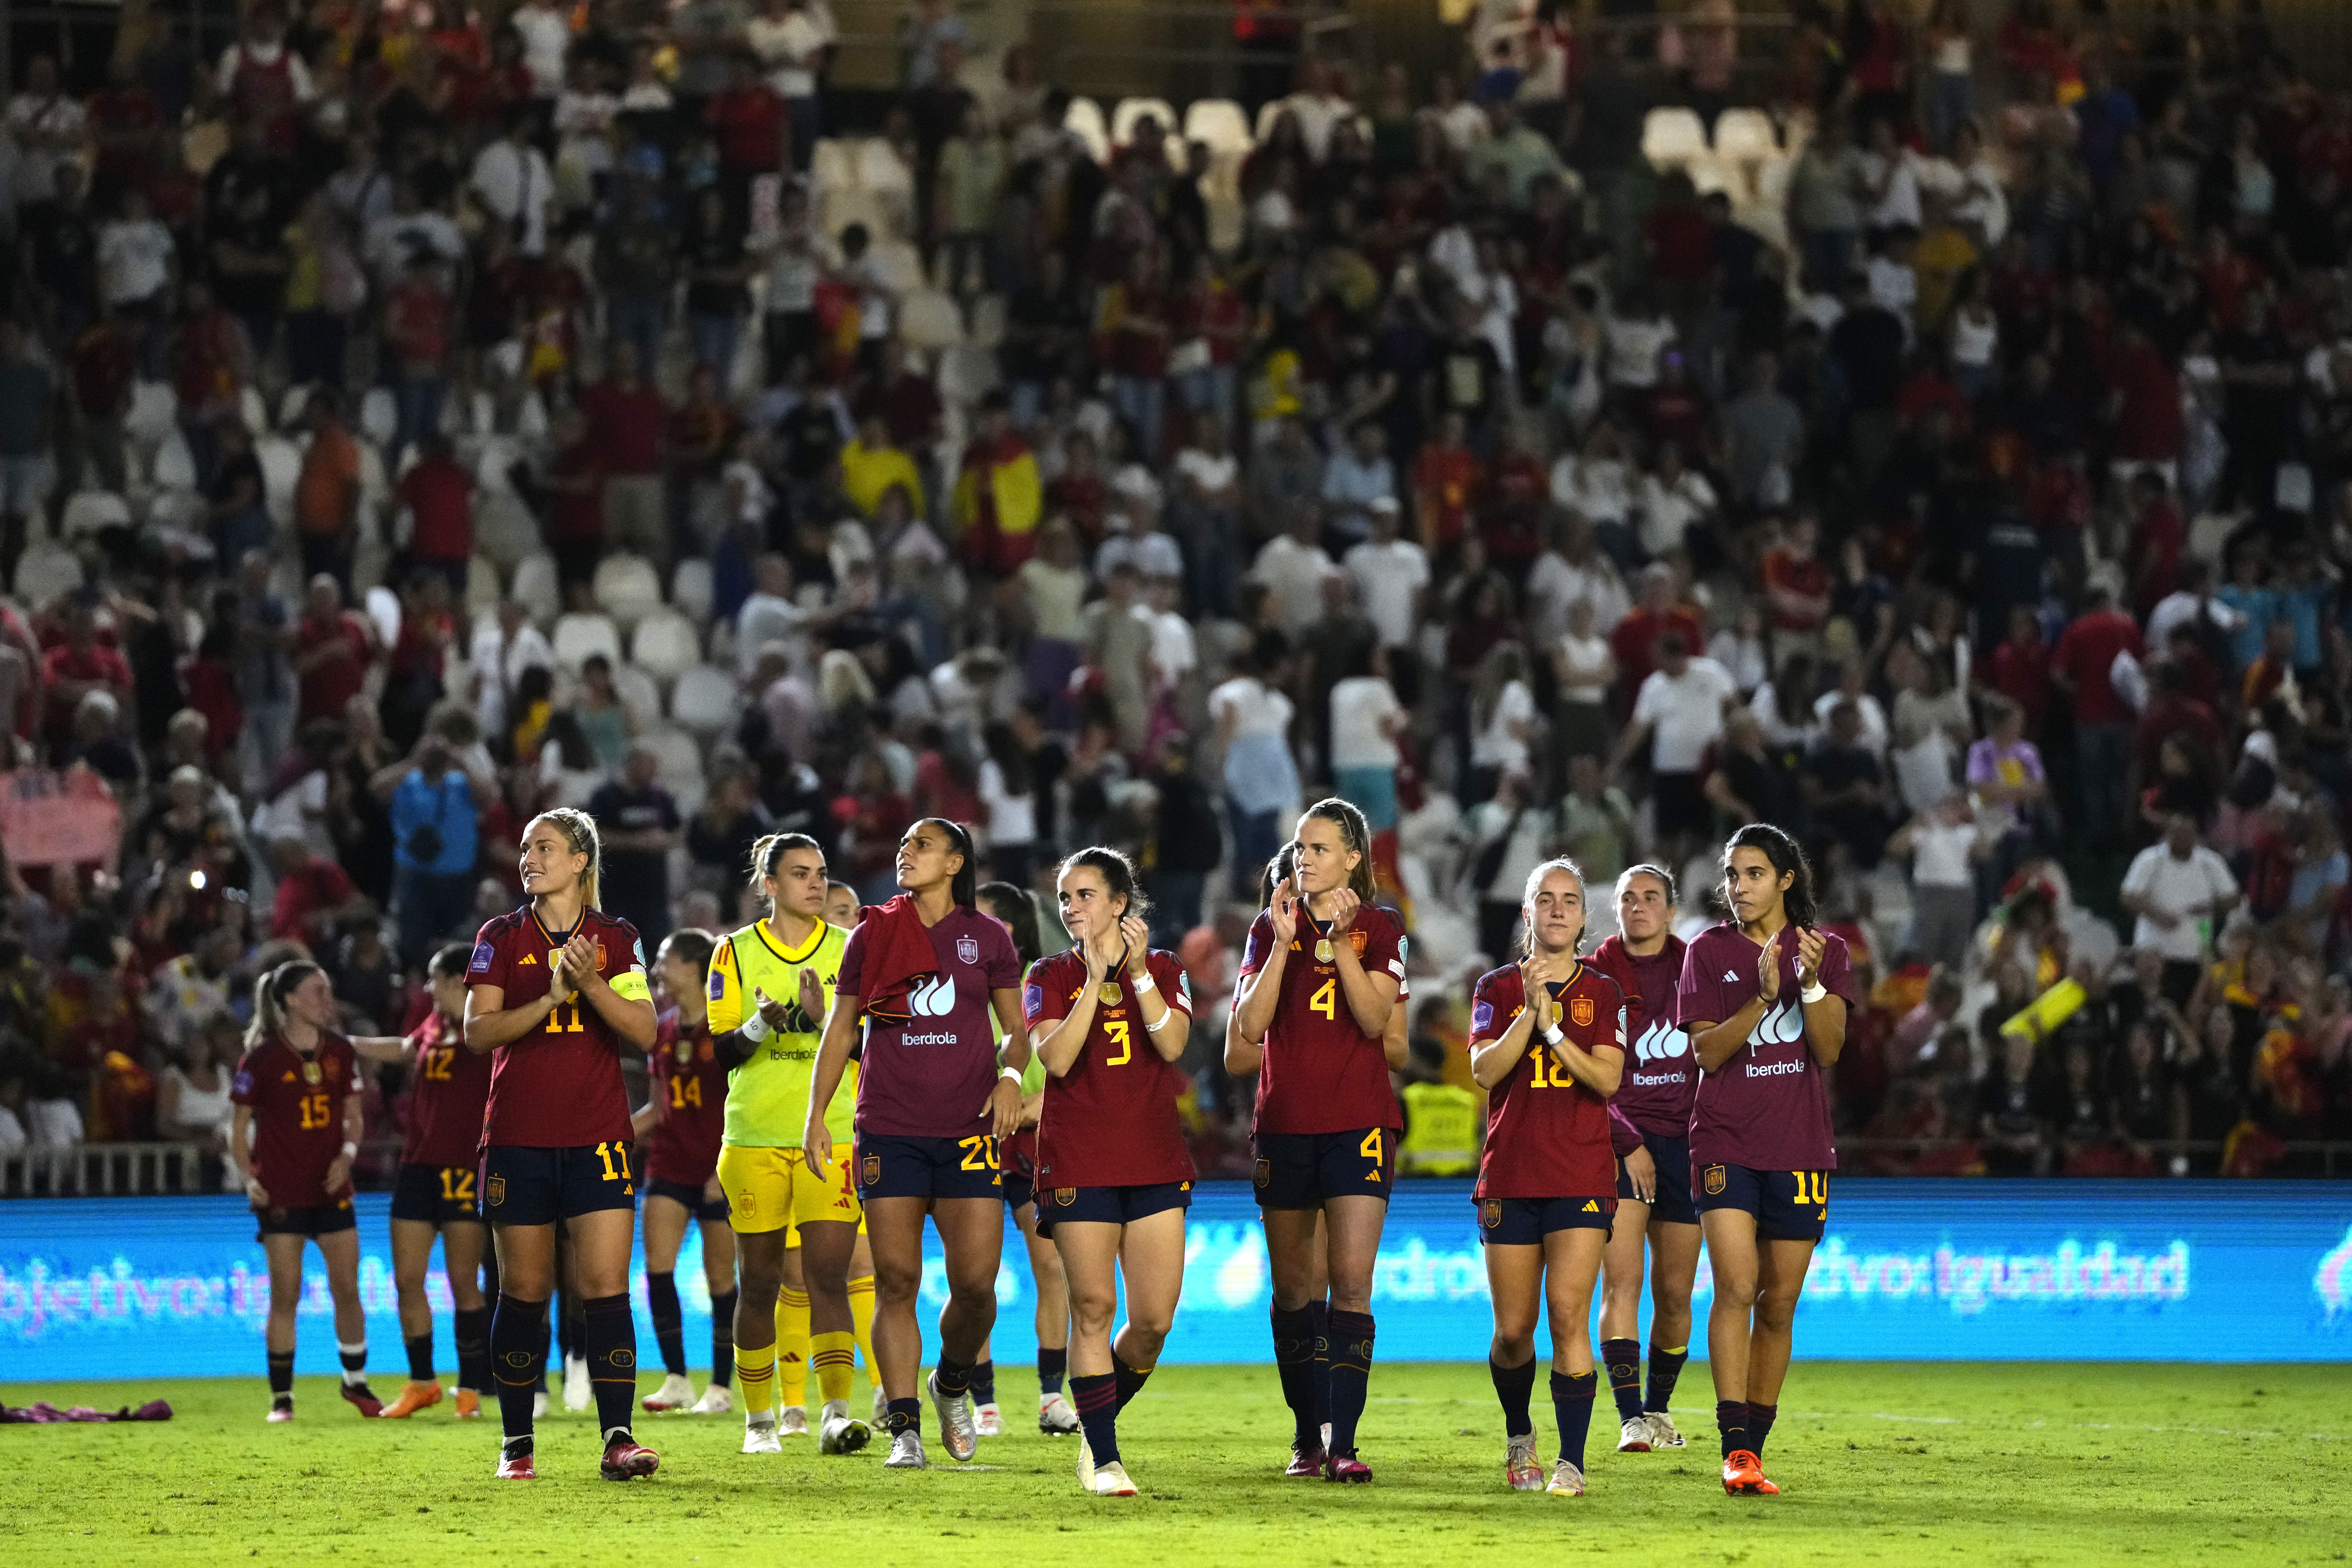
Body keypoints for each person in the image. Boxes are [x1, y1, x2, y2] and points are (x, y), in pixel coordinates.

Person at [802, 818, 1026, 1470]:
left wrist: (1011, 1078)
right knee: (896, 1279)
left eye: (922, 845)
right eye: (902, 844)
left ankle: (951, 1382)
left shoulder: (988, 938)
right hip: (890, 1127)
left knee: (977, 1284)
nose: (906, 852)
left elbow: (1017, 1030)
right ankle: (904, 1429)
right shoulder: (872, 933)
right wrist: (817, 1115)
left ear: (956, 861)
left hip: (969, 1129)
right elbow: (841, 1029)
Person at [462, 808, 661, 1481]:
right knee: (524, 1288)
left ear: (581, 860)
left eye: (544, 846)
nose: (528, 857)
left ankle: (618, 1438)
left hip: (597, 1136)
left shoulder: (617, 937)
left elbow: (645, 1031)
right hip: (517, 1137)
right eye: (524, 847)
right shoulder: (500, 935)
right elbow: (479, 1032)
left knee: (606, 1287)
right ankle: (517, 1442)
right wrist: (550, 998)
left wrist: (590, 983)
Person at [1227, 798, 1406, 1482]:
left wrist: (1337, 942)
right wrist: (1282, 943)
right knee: (1294, 1290)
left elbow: (1373, 1017)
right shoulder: (1267, 928)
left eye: (1320, 848)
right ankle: (1307, 1434)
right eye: (1300, 848)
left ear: (1353, 858)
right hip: (1284, 1124)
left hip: (1358, 1124)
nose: (1304, 858)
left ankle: (1346, 1443)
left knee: (1351, 1285)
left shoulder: (1383, 927)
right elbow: (1249, 1027)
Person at [1675, 824, 1852, 1497]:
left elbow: (1830, 1049)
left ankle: (1755, 1443)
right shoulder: (1707, 951)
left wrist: (1806, 984)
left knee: (1779, 1303)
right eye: (1731, 874)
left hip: (1801, 1146)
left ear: (1785, 879)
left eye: (1752, 873)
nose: (1738, 886)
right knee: (1737, 1286)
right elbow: (1707, 1054)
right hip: (1725, 1141)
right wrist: (1760, 993)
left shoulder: (1825, 950)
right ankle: (1735, 1447)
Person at [1024, 848, 1195, 1496]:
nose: (1072, 908)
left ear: (1121, 902)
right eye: (1066, 897)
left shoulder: (1166, 967)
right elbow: (1059, 1060)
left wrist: (1136, 973)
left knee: (1152, 1322)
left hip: (1152, 1158)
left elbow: (1173, 1044)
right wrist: (1095, 980)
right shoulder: (1050, 973)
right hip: (1079, 1157)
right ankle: (1103, 1456)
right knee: (1093, 1307)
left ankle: (1098, 1424)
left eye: (1086, 894)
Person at [1466, 858, 1625, 1495]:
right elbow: (1485, 1068)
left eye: (1569, 900)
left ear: (1585, 917)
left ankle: (1573, 1460)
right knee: (1512, 1331)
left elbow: (1607, 1079)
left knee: (1568, 1313)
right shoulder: (1495, 987)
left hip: (1581, 1171)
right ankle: (1518, 1433)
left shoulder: (1604, 991)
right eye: (1545, 899)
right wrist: (1531, 1013)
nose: (1557, 909)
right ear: (1526, 913)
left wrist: (1554, 1022)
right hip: (1511, 1172)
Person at [708, 833, 868, 1455]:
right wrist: (764, 1021)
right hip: (753, 1134)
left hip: (832, 1131)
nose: (816, 884)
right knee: (761, 1281)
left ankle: (833, 1412)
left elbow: (870, 1045)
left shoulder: (853, 950)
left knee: (829, 1274)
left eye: (821, 873)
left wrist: (824, 1017)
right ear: (769, 884)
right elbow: (722, 1050)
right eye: (800, 874)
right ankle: (759, 1421)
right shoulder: (735, 951)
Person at [229, 960, 382, 1420]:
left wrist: (349, 1154)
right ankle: (282, 1399)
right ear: (290, 1000)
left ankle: (355, 1382)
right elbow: (237, 1130)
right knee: (285, 1294)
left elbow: (355, 1115)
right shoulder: (261, 1059)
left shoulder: (340, 1050)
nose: (327, 999)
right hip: (281, 1191)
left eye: (328, 989)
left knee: (347, 1288)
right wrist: (249, 1178)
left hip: (332, 1186)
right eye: (317, 991)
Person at [352, 943, 495, 1420]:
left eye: (435, 979)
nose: (429, 989)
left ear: (458, 980)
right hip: (418, 1167)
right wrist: (348, 1044)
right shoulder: (434, 1026)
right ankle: (423, 1382)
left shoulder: (488, 1027)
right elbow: (404, 1048)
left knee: (463, 1283)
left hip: (464, 1166)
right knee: (408, 1281)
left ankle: (471, 1388)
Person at [1587, 865, 1698, 1455]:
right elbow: (1585, 1072)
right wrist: (1627, 1139)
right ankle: (1631, 1416)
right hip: (1620, 1143)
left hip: (1687, 1145)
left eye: (1650, 897)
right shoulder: (1597, 972)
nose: (1637, 906)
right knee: (1622, 1281)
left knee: (1677, 1294)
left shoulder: (1697, 968)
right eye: (1627, 897)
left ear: (1671, 909)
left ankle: (1658, 1407)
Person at [975, 880, 1079, 1439]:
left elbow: (1071, 1065)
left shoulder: (1045, 980)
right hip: (976, 1141)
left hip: (1035, 1139)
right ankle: (984, 1400)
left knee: (1052, 1268)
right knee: (976, 1276)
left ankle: (1050, 1398)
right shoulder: (962, 983)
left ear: (1009, 928)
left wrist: (1029, 1105)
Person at [634, 930, 738, 1416]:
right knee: (658, 1267)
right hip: (669, 1162)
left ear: (697, 967)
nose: (657, 969)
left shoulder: (727, 1031)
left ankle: (720, 1385)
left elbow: (744, 1104)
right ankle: (676, 1377)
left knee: (721, 1280)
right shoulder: (662, 1029)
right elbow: (657, 1109)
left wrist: (729, 1166)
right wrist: (605, 1136)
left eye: (664, 959)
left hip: (718, 1169)